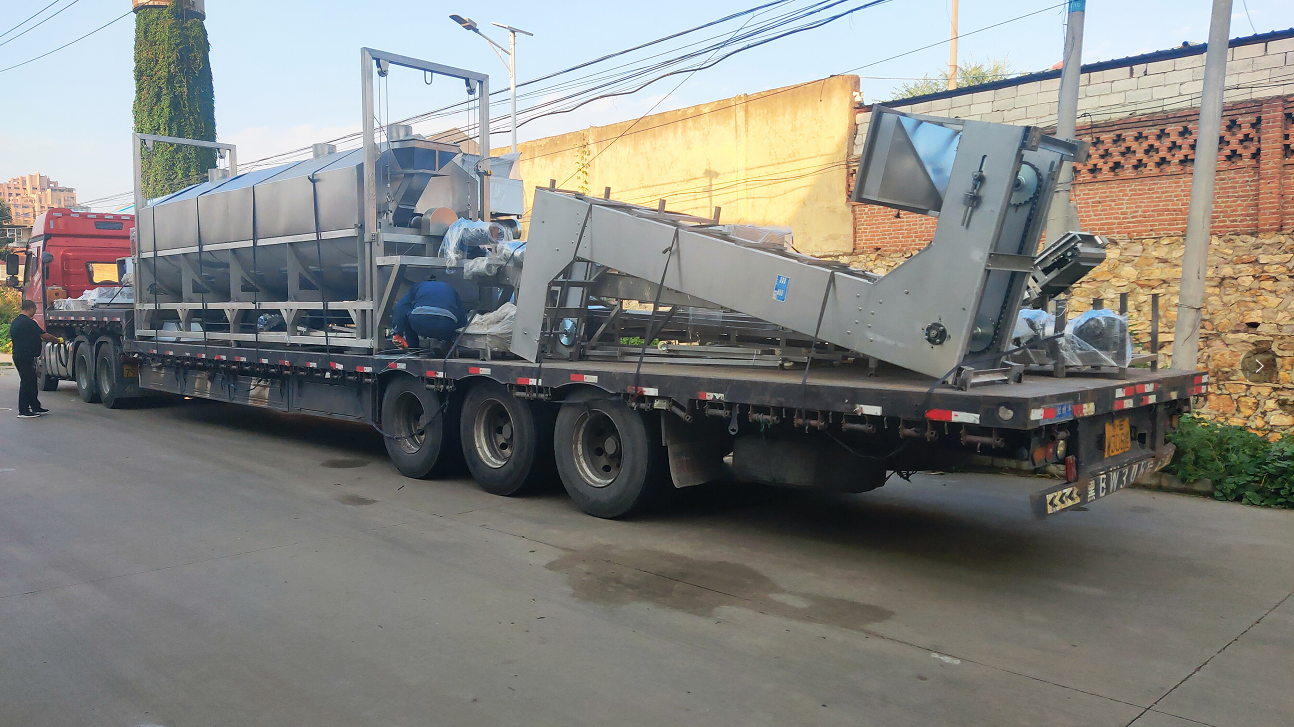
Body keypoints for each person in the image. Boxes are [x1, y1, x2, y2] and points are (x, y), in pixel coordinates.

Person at [9, 300, 61, 419]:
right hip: (24, 357)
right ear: (31, 308)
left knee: (32, 381)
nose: (35, 311)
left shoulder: (16, 322)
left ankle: (35, 406)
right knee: (27, 382)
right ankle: (23, 410)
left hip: (19, 355)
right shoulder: (29, 322)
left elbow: (28, 337)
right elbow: (45, 335)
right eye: (35, 309)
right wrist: (58, 340)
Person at [391, 277, 467, 351]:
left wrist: (398, 333)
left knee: (408, 315)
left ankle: (413, 349)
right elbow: (462, 316)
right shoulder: (451, 289)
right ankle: (446, 347)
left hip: (419, 320)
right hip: (445, 323)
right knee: (450, 325)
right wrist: (455, 332)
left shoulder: (418, 286)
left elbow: (401, 307)